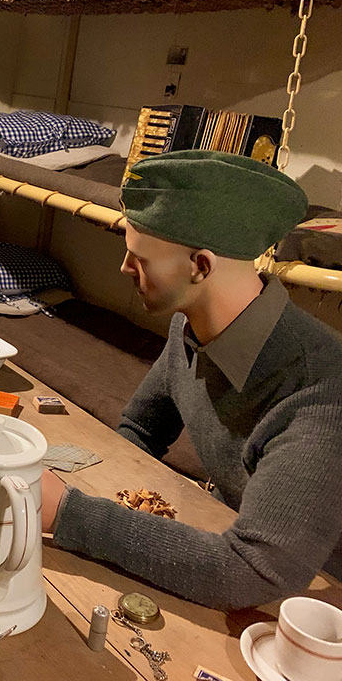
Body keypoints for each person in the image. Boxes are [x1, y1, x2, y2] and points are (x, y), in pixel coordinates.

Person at [39, 150, 342, 611]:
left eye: (138, 257)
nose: (125, 269)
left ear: (200, 266)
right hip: (231, 539)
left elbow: (256, 571)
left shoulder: (320, 390)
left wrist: (67, 512)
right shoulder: (189, 329)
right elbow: (139, 430)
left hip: (313, 601)